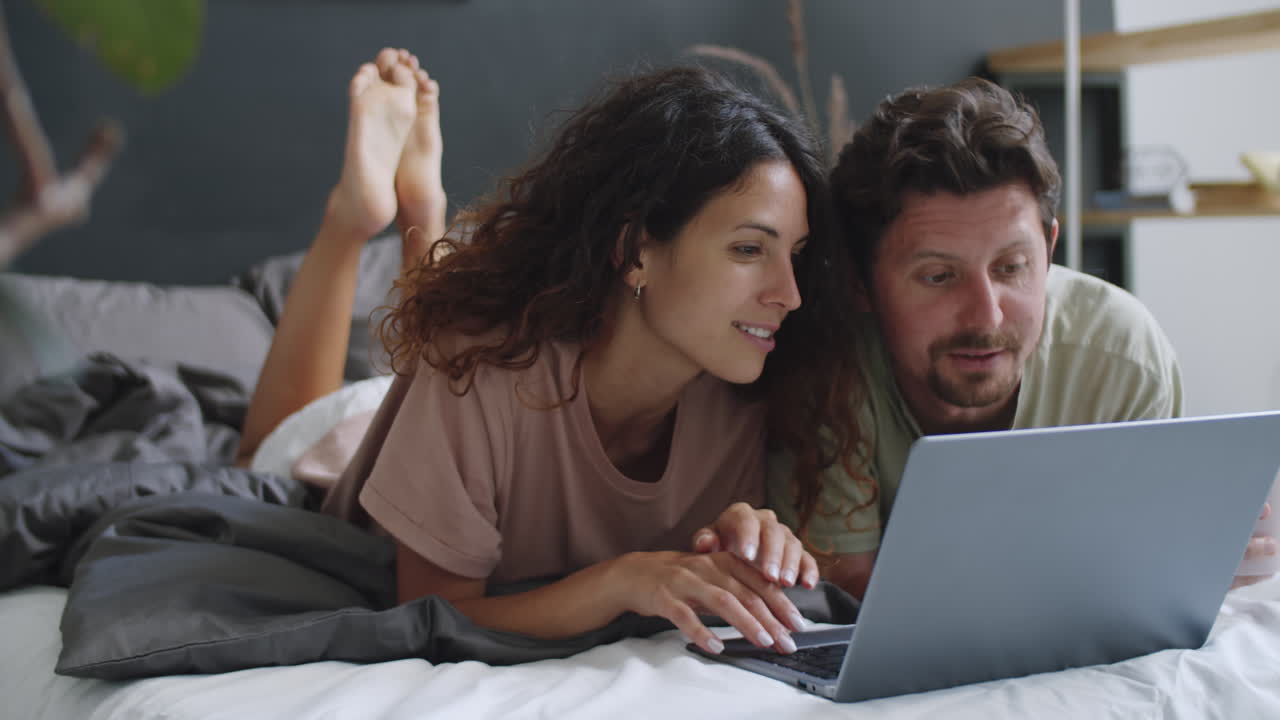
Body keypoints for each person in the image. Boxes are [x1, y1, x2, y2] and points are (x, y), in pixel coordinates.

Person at [237, 49, 865, 657]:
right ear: (636, 249)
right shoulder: (476, 362)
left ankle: (422, 216)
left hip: (459, 422)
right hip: (348, 441)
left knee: (431, 335)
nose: (790, 295)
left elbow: (691, 574)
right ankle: (358, 217)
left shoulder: (739, 387)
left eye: (797, 255)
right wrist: (621, 581)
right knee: (262, 449)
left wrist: (743, 546)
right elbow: (428, 615)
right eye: (749, 250)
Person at [761, 76, 1274, 598]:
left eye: (1012, 268)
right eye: (938, 276)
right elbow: (848, 597)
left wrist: (1195, 565)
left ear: (1050, 250)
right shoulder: (827, 366)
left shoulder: (1122, 358)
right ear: (859, 281)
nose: (986, 316)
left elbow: (1150, 572)